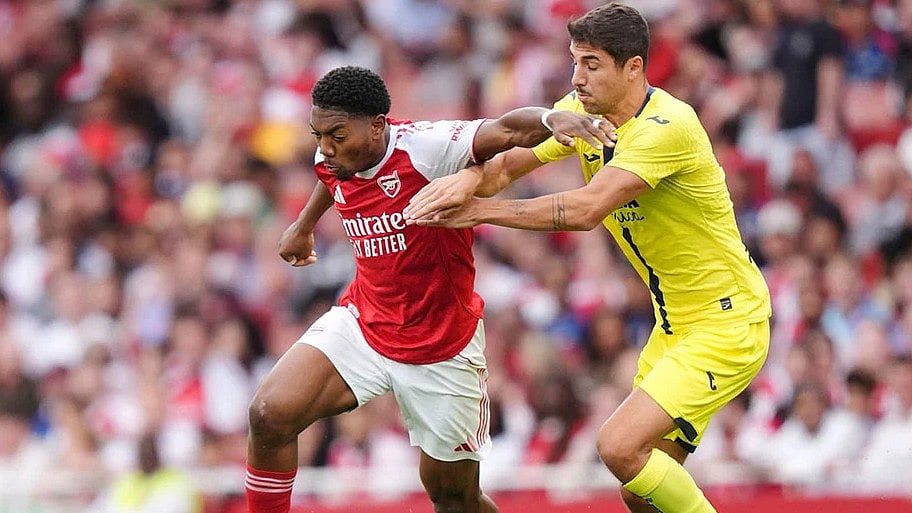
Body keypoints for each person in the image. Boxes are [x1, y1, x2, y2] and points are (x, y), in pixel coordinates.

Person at [403, 4, 772, 513]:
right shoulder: (586, 112)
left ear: (634, 68)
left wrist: (480, 210)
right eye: (575, 61)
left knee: (619, 447)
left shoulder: (667, 126)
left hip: (727, 322)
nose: (577, 76)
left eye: (592, 64)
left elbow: (584, 209)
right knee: (641, 491)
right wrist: (468, 178)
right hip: (674, 326)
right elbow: (510, 161)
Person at [245, 65, 614, 513]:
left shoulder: (427, 147)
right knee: (268, 415)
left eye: (336, 134)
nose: (324, 147)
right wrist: (303, 226)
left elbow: (504, 130)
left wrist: (550, 121)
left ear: (377, 125)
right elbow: (331, 177)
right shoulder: (334, 154)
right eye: (317, 134)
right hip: (366, 323)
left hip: (442, 349)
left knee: (454, 498)